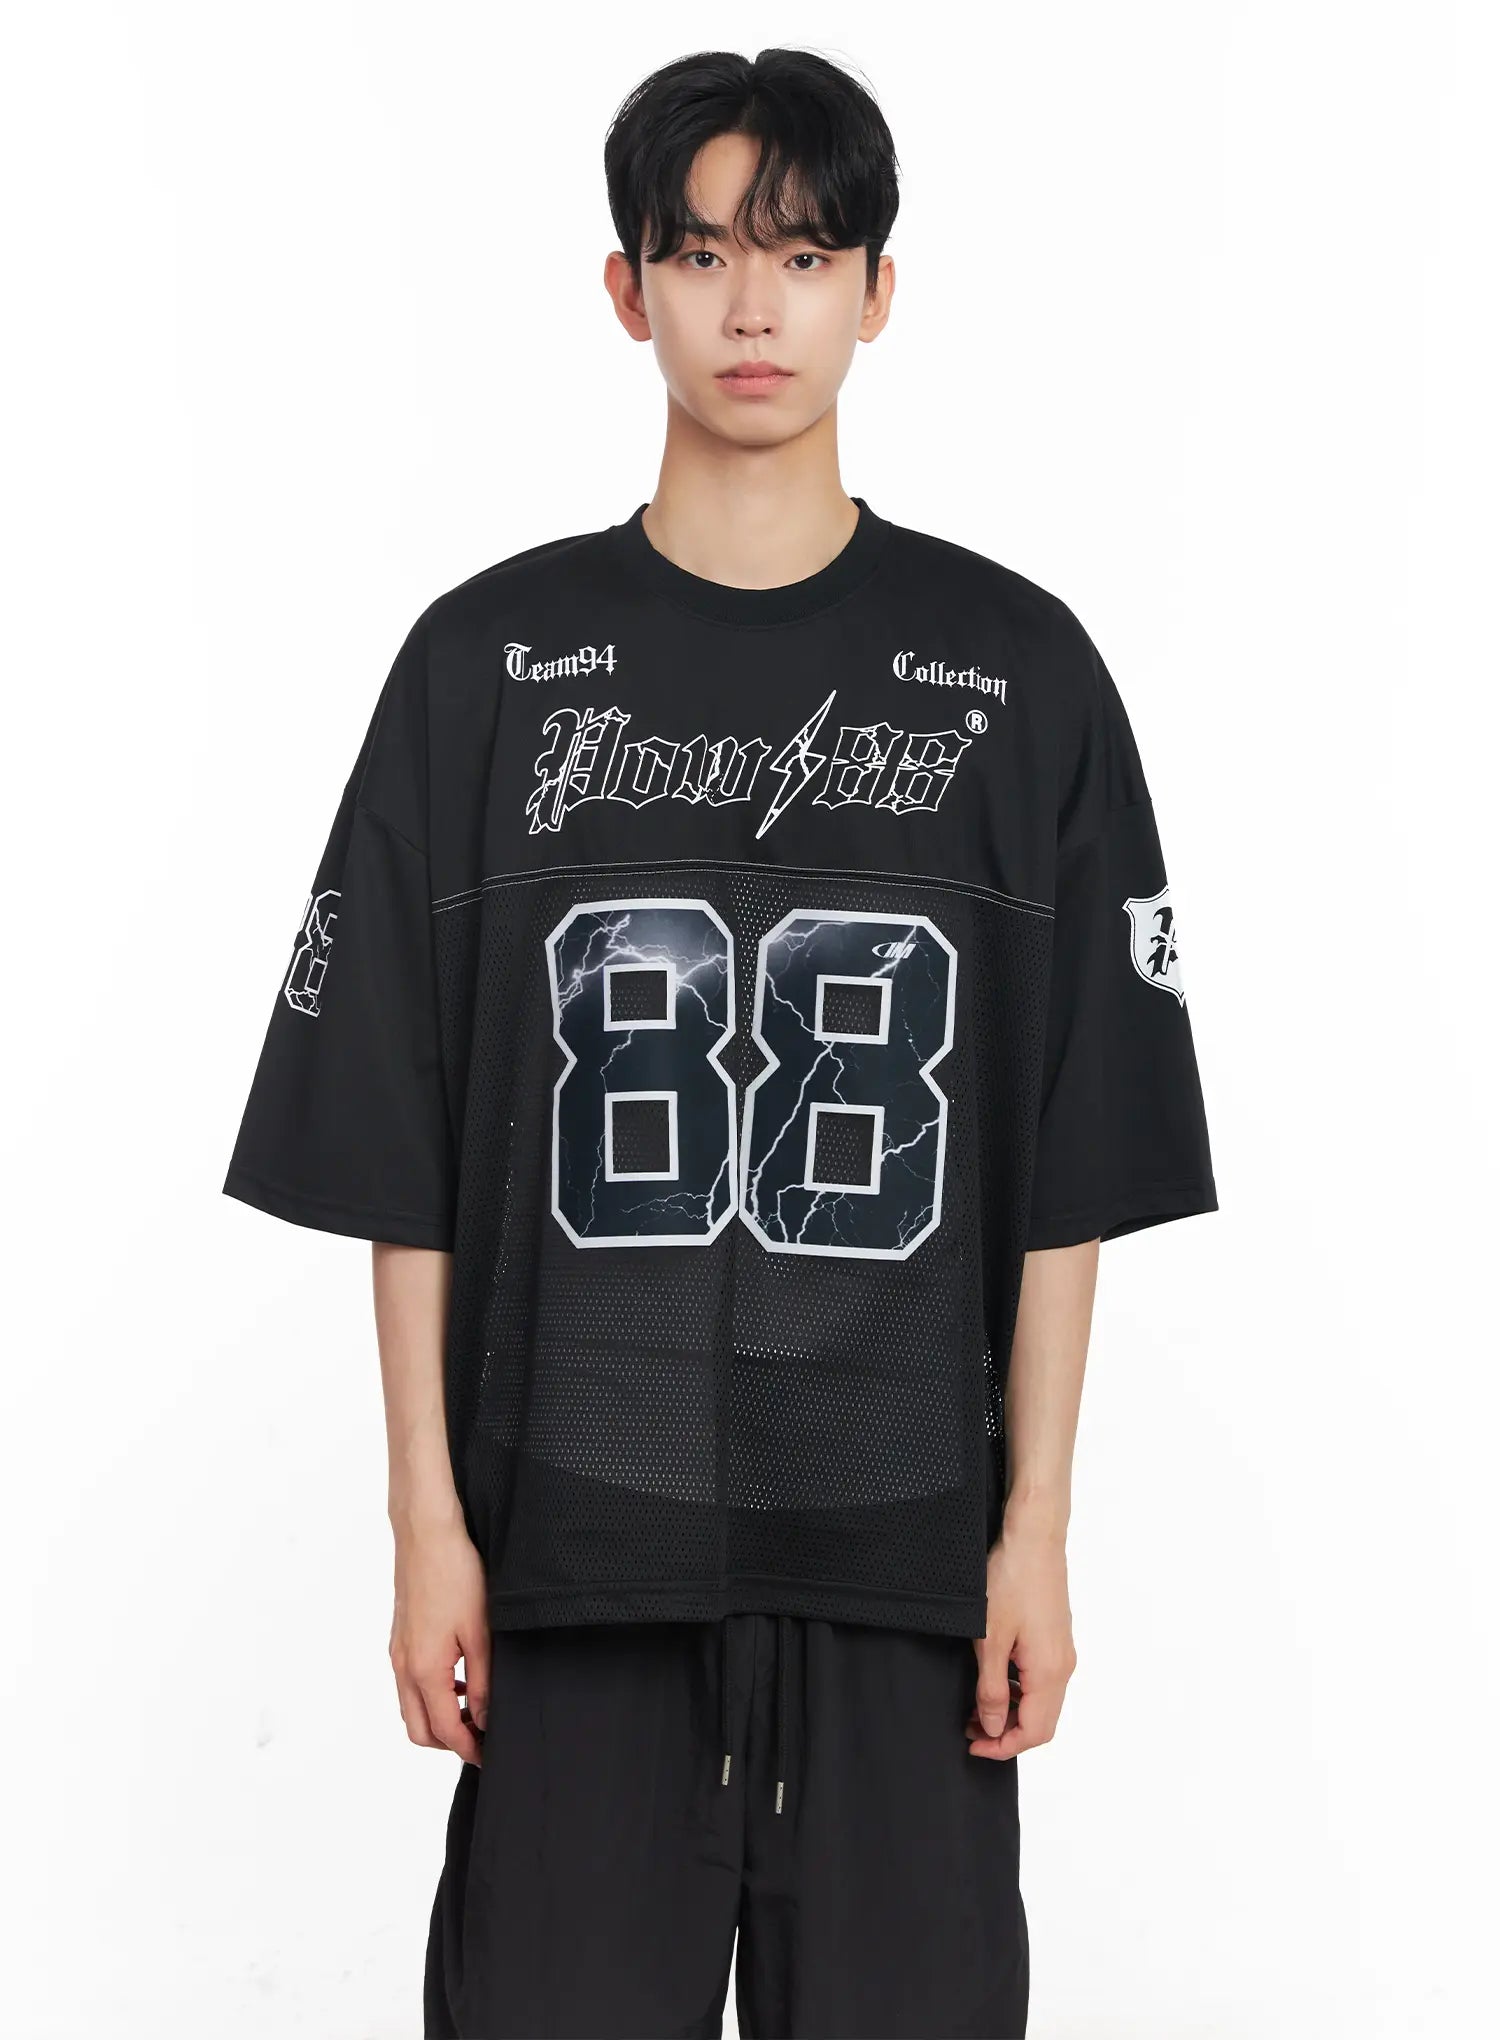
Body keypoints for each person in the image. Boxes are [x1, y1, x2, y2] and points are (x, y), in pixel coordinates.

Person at [222, 45, 1216, 2040]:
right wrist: (427, 1524)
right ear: (627, 290)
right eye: (701, 256)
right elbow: (400, 1135)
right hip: (577, 1548)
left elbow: (1069, 1150)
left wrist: (1036, 1533)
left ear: (879, 292)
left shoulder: (1017, 674)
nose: (753, 308)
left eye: (806, 255)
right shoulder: (487, 669)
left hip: (903, 1562)